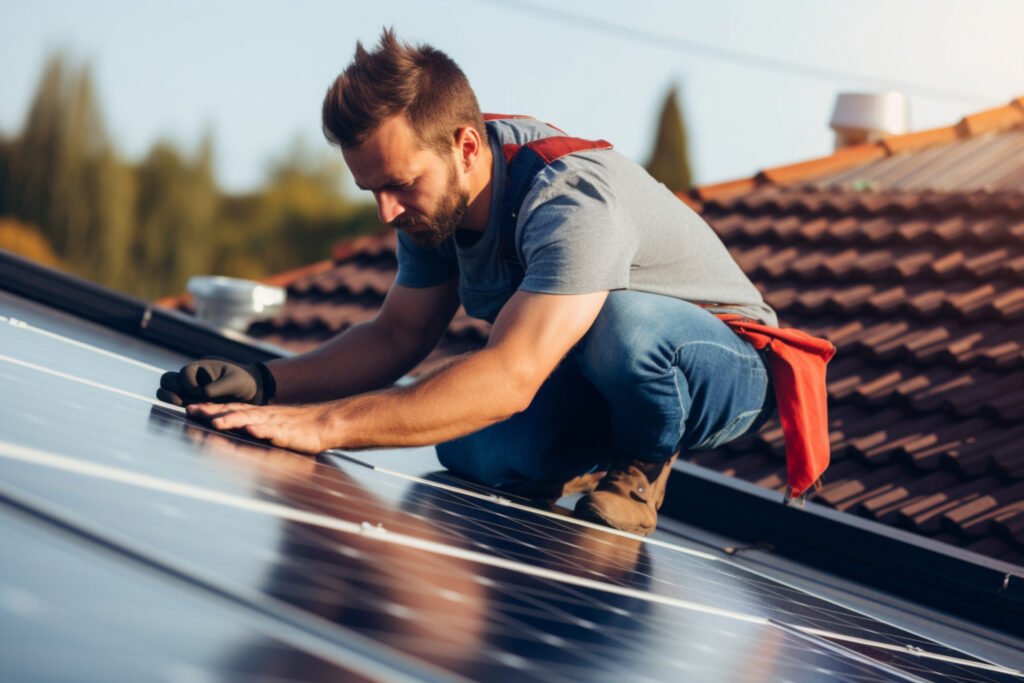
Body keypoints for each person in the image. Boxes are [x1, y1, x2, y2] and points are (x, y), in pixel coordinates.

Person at [160, 29, 784, 536]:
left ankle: (641, 466)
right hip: (588, 371)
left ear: (464, 145)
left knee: (622, 325)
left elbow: (512, 375)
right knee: (467, 449)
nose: (387, 211)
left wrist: (322, 427)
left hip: (723, 363)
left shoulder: (571, 200)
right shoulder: (435, 210)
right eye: (372, 190)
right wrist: (269, 383)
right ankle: (584, 455)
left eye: (400, 184)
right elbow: (396, 335)